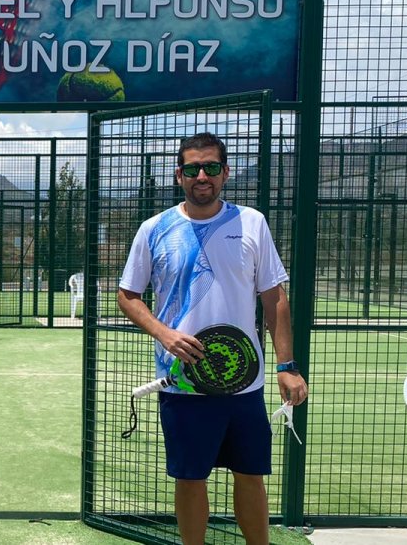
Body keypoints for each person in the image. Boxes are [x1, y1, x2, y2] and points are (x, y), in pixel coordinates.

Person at [116, 132, 308, 545]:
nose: (201, 176)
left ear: (226, 173)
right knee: (190, 479)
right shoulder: (154, 228)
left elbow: (274, 297)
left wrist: (286, 367)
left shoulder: (252, 222)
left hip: (245, 382)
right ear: (178, 175)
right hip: (183, 382)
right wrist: (164, 334)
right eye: (191, 169)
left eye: (211, 168)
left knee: (251, 475)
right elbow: (127, 295)